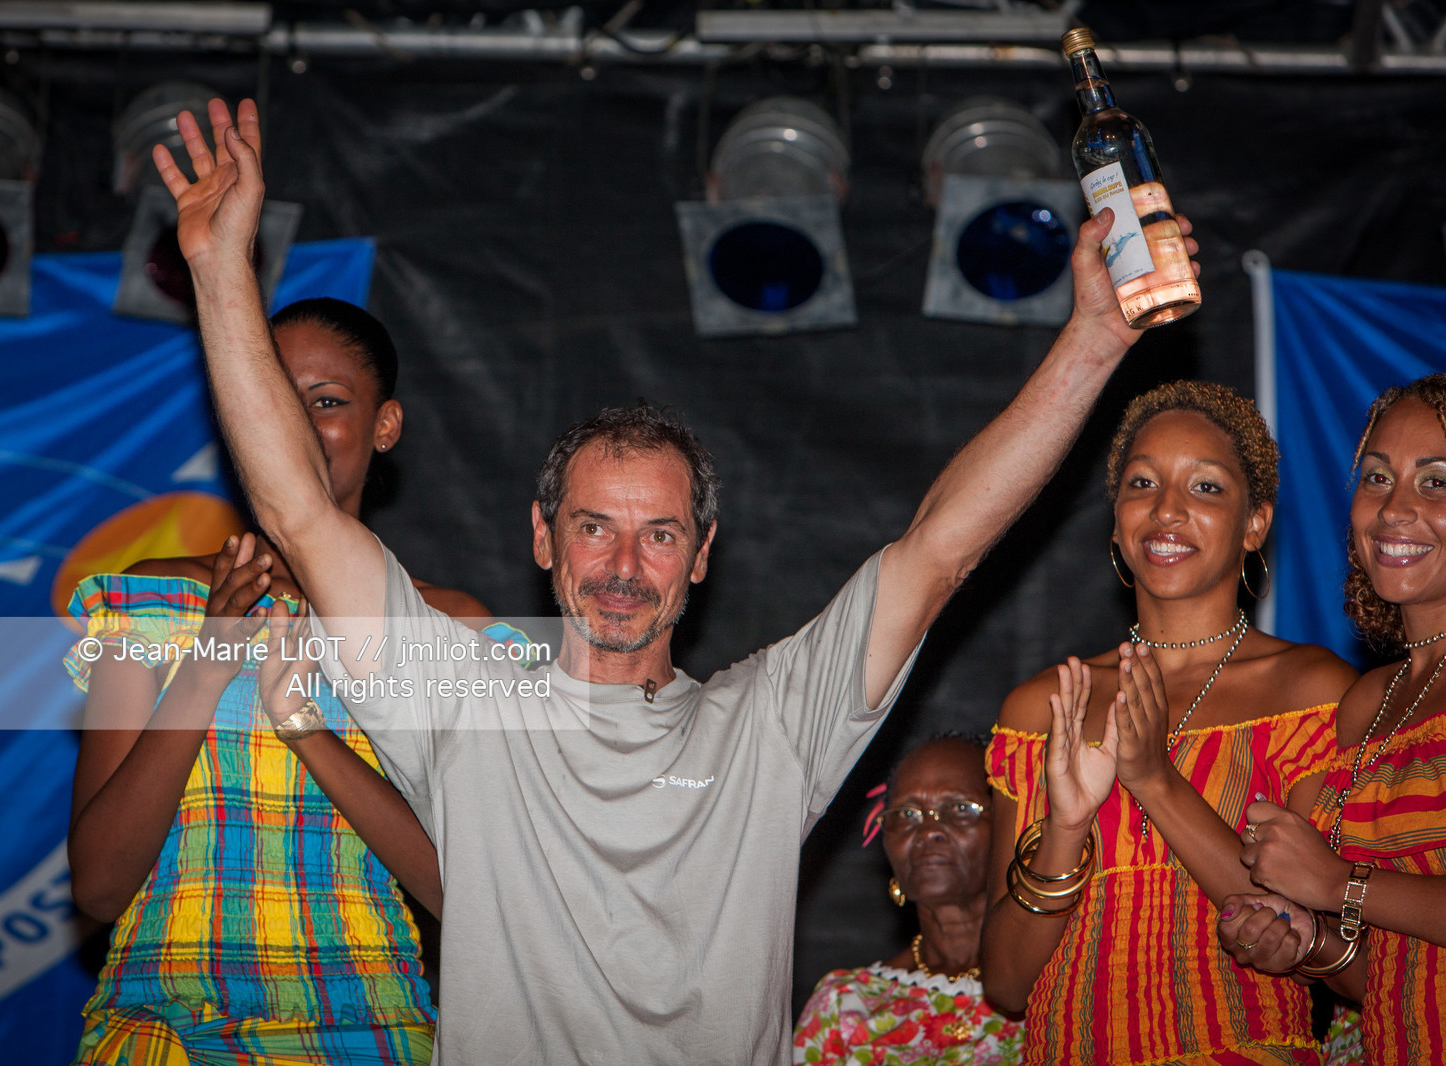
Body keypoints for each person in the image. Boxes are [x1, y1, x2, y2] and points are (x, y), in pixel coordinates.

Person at [153, 96, 1193, 1064]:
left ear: (700, 555)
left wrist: (1096, 340)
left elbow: (940, 546)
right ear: (543, 541)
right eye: (593, 527)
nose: (620, 565)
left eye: (658, 535)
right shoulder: (461, 701)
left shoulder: (771, 720)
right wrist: (217, 266)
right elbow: (294, 506)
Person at [64, 298, 489, 1064]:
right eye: (274, 403)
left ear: (385, 426)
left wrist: (309, 731)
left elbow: (469, 902)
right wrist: (207, 666)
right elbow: (96, 888)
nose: (294, 428)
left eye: (326, 403)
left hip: (367, 1031)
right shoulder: (151, 601)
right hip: (168, 1029)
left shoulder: (447, 627)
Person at [981, 381, 1357, 1065]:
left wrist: (1155, 780)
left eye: (1206, 488)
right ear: (1117, 518)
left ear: (1255, 523)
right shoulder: (1046, 707)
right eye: (1142, 483)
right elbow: (1006, 984)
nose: (1167, 510)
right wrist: (1066, 829)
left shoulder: (1312, 692)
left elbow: (1344, 952)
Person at [1219, 373, 1446, 1066]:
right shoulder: (1368, 702)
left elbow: (1349, 888)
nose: (1394, 508)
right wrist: (1307, 941)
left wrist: (1339, 884)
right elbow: (1385, 969)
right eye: (1377, 478)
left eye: (1436, 483)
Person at [793, 735, 1024, 1065]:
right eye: (907, 814)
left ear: (1010, 828)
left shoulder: (1062, 986)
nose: (928, 830)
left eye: (960, 809)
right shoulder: (845, 1006)